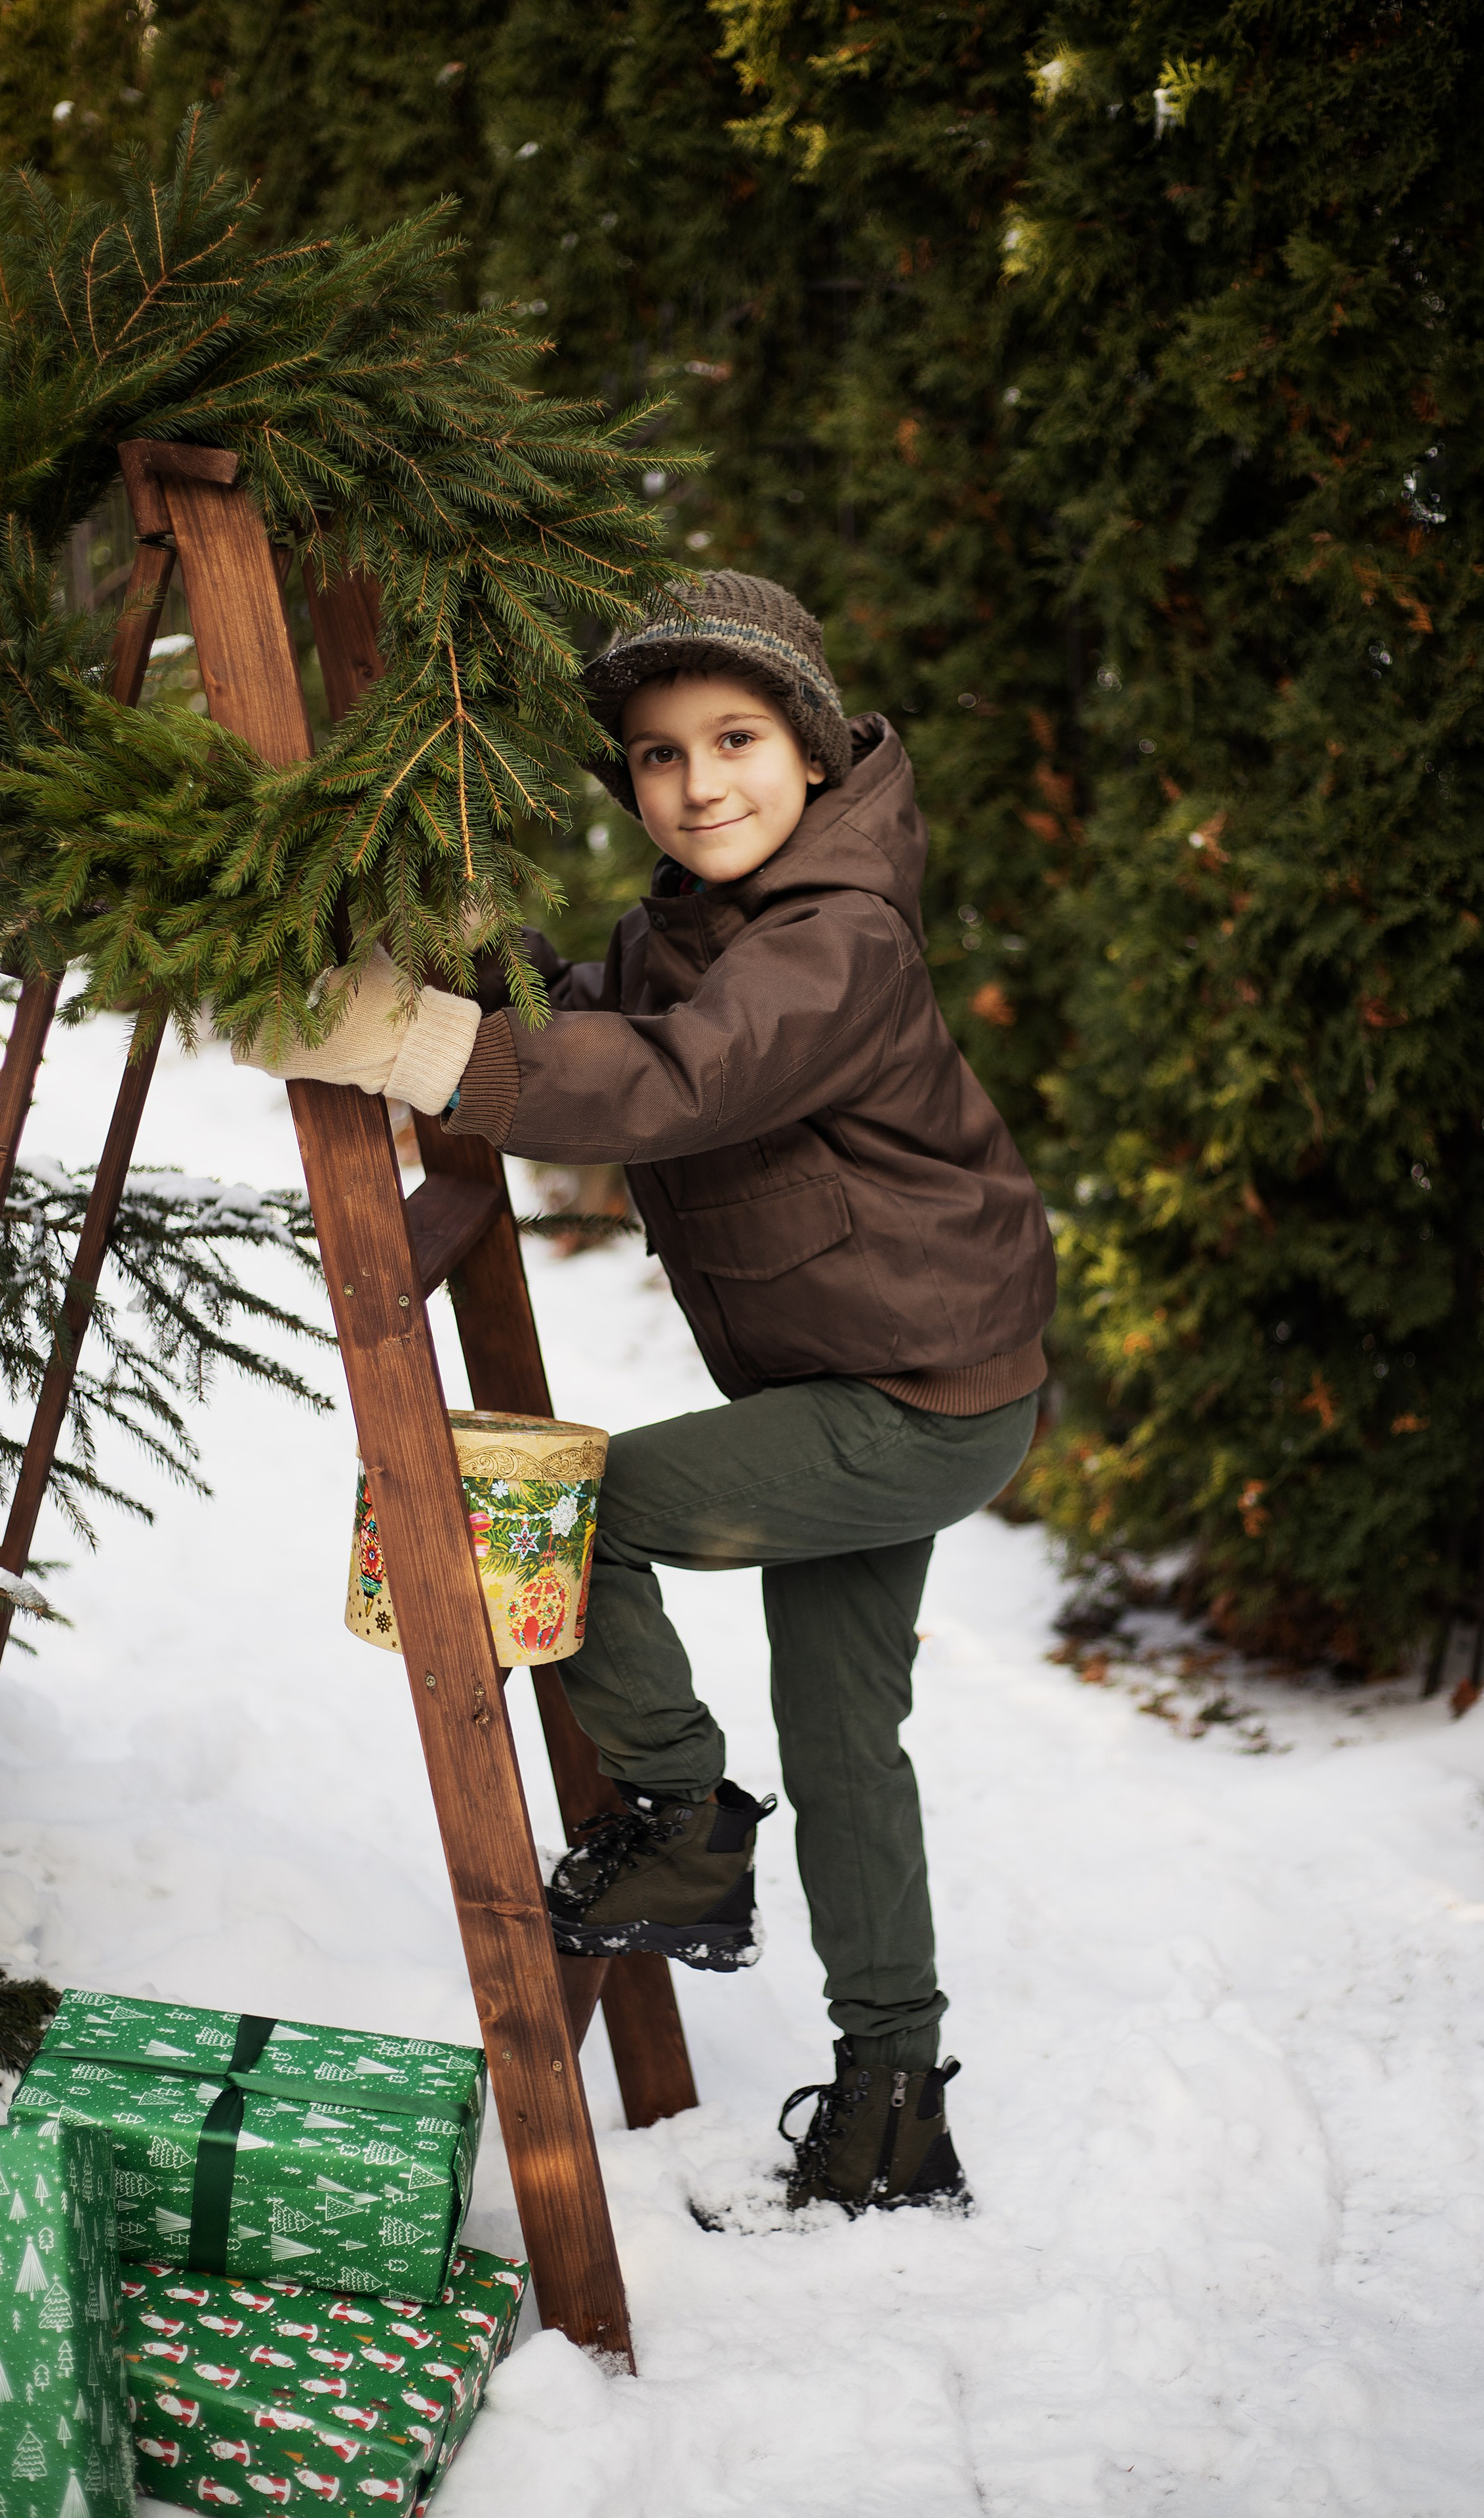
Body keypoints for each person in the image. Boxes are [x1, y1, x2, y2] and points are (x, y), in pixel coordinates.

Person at [239, 572, 1054, 2215]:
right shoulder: (690, 928)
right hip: (866, 1378)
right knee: (847, 1743)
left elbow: (679, 1078)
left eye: (737, 740)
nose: (701, 785)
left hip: (914, 1399)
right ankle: (893, 2099)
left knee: (564, 1508)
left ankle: (680, 1816)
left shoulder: (836, 938)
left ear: (813, 754)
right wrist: (449, 945)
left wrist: (412, 1047)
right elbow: (591, 1014)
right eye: (659, 757)